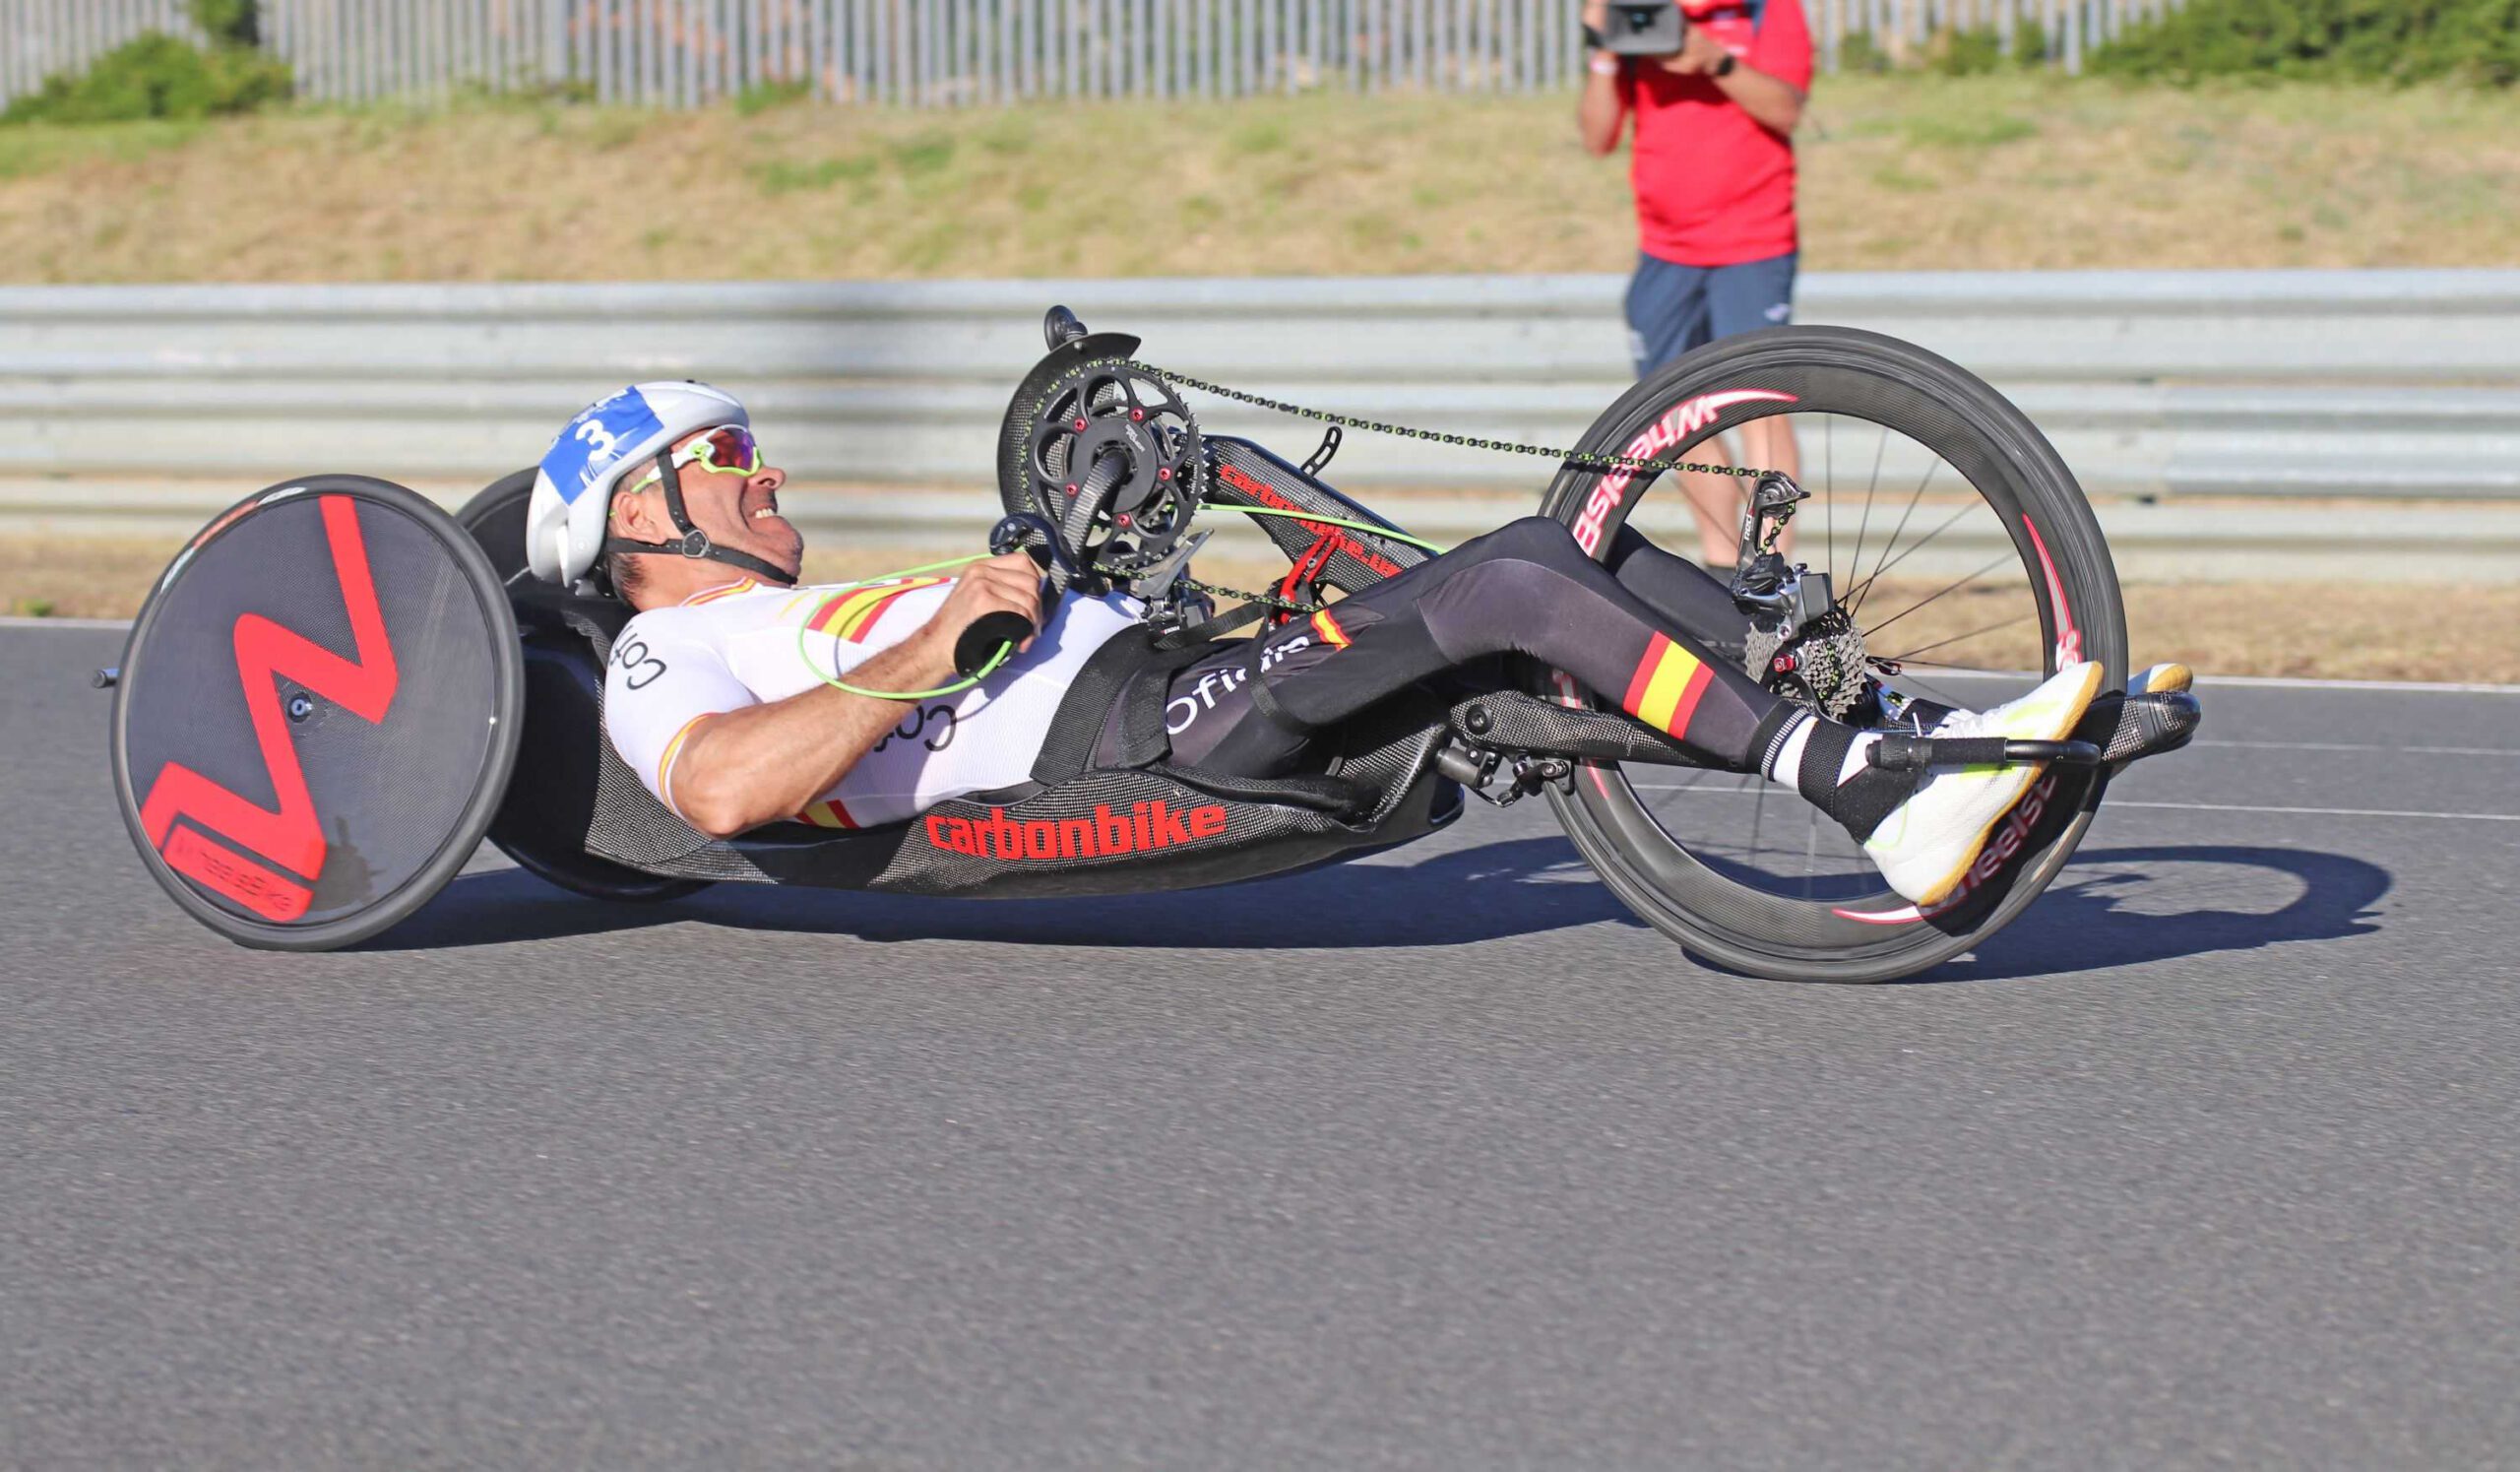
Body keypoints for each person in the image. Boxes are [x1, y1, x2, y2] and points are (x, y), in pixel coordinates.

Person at [526, 383, 2110, 908]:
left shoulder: (780, 606)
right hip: (1131, 745)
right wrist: (945, 630)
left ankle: (1931, 739)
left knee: (1572, 562)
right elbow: (728, 794)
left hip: (1163, 672)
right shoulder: (674, 655)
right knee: (1494, 585)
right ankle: (1869, 796)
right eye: (728, 459)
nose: (768, 472)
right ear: (643, 516)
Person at [1579, 0, 1812, 576]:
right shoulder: (1638, 12)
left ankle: (1772, 569)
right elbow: (1597, 135)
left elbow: (1786, 109)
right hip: (1665, 250)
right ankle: (1718, 570)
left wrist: (1718, 63)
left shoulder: (1766, 11)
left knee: (1759, 405)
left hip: (1753, 242)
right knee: (1676, 413)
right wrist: (1606, 52)